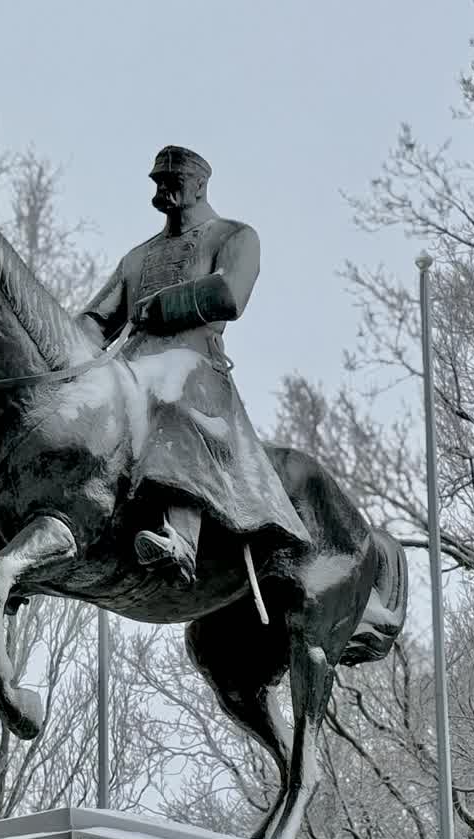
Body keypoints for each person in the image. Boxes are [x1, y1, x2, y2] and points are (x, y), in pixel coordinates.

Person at [79, 145, 310, 583]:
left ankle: (181, 539)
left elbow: (229, 294)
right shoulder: (136, 258)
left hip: (194, 367)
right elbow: (97, 321)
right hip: (132, 371)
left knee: (171, 395)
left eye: (173, 181)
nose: (162, 189)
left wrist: (163, 305)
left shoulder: (233, 236)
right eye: (158, 182)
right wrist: (58, 349)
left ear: (201, 184)